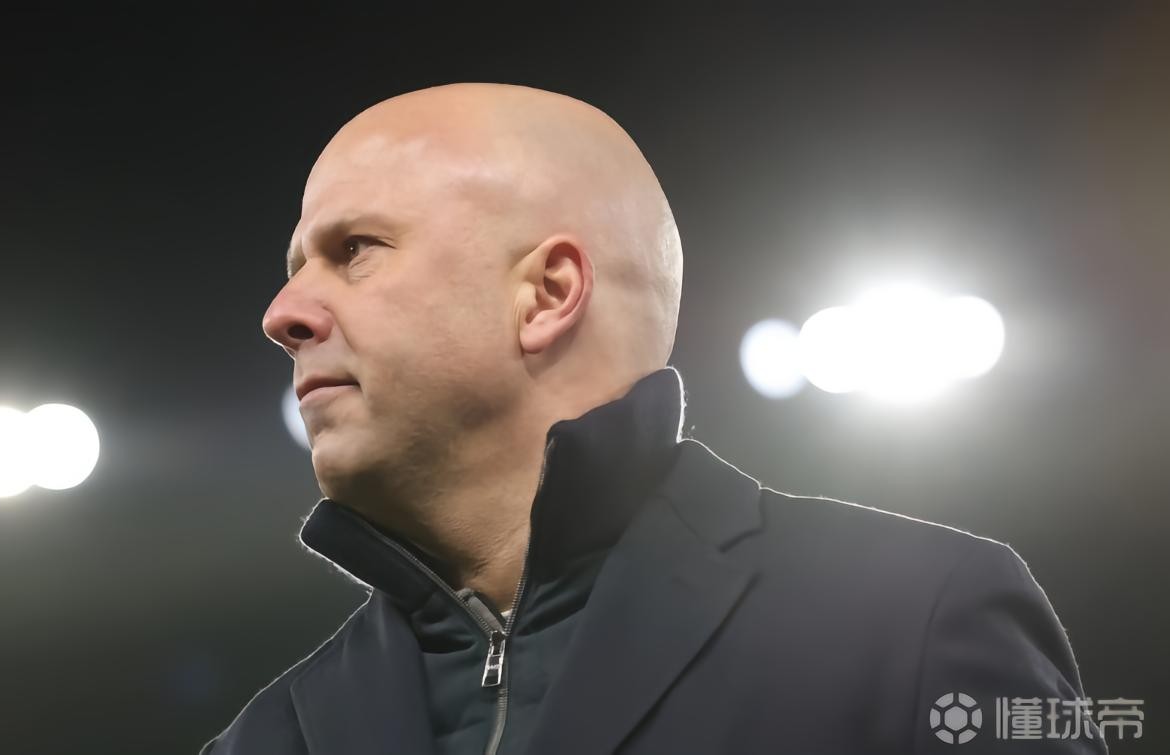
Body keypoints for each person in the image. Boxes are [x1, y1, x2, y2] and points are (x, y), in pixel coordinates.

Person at [202, 83, 1105, 754]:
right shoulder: (264, 741)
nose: (283, 313)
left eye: (353, 250)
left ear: (548, 293)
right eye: (296, 266)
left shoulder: (912, 620)